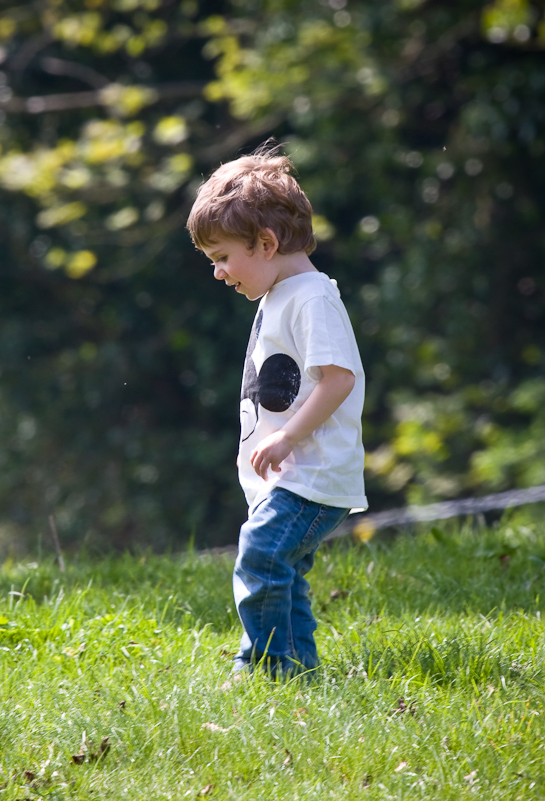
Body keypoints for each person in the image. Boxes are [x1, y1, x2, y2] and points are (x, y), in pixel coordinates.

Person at [186, 144, 368, 678]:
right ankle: (298, 673)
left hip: (311, 474)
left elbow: (339, 380)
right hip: (292, 476)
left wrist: (287, 437)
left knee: (261, 557)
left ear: (266, 243)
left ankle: (264, 665)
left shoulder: (311, 298)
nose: (218, 272)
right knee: (281, 572)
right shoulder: (281, 294)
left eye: (221, 257)